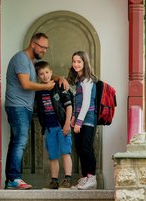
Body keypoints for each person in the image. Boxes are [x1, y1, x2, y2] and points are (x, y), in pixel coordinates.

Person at [4, 32, 69, 190]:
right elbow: (26, 84)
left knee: (17, 141)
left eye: (46, 48)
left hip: (24, 107)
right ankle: (13, 178)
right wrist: (46, 87)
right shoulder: (21, 58)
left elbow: (44, 75)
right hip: (17, 106)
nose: (44, 50)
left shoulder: (30, 63)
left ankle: (12, 179)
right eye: (42, 47)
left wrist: (59, 77)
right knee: (20, 141)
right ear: (33, 44)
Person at [35, 61, 73, 190]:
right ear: (38, 77)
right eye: (41, 74)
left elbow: (69, 106)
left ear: (51, 73)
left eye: (47, 72)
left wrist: (67, 123)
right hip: (50, 128)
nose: (45, 76)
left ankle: (67, 179)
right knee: (53, 155)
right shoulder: (38, 92)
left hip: (62, 126)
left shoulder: (59, 86)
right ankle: (54, 181)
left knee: (65, 152)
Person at [67, 51, 98, 190]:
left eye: (79, 61)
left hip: (88, 119)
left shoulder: (87, 80)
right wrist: (74, 116)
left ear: (85, 63)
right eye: (74, 61)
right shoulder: (79, 81)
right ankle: (85, 177)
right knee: (80, 149)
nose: (76, 64)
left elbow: (86, 103)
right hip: (80, 118)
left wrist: (79, 122)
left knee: (86, 148)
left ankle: (92, 178)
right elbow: (77, 101)